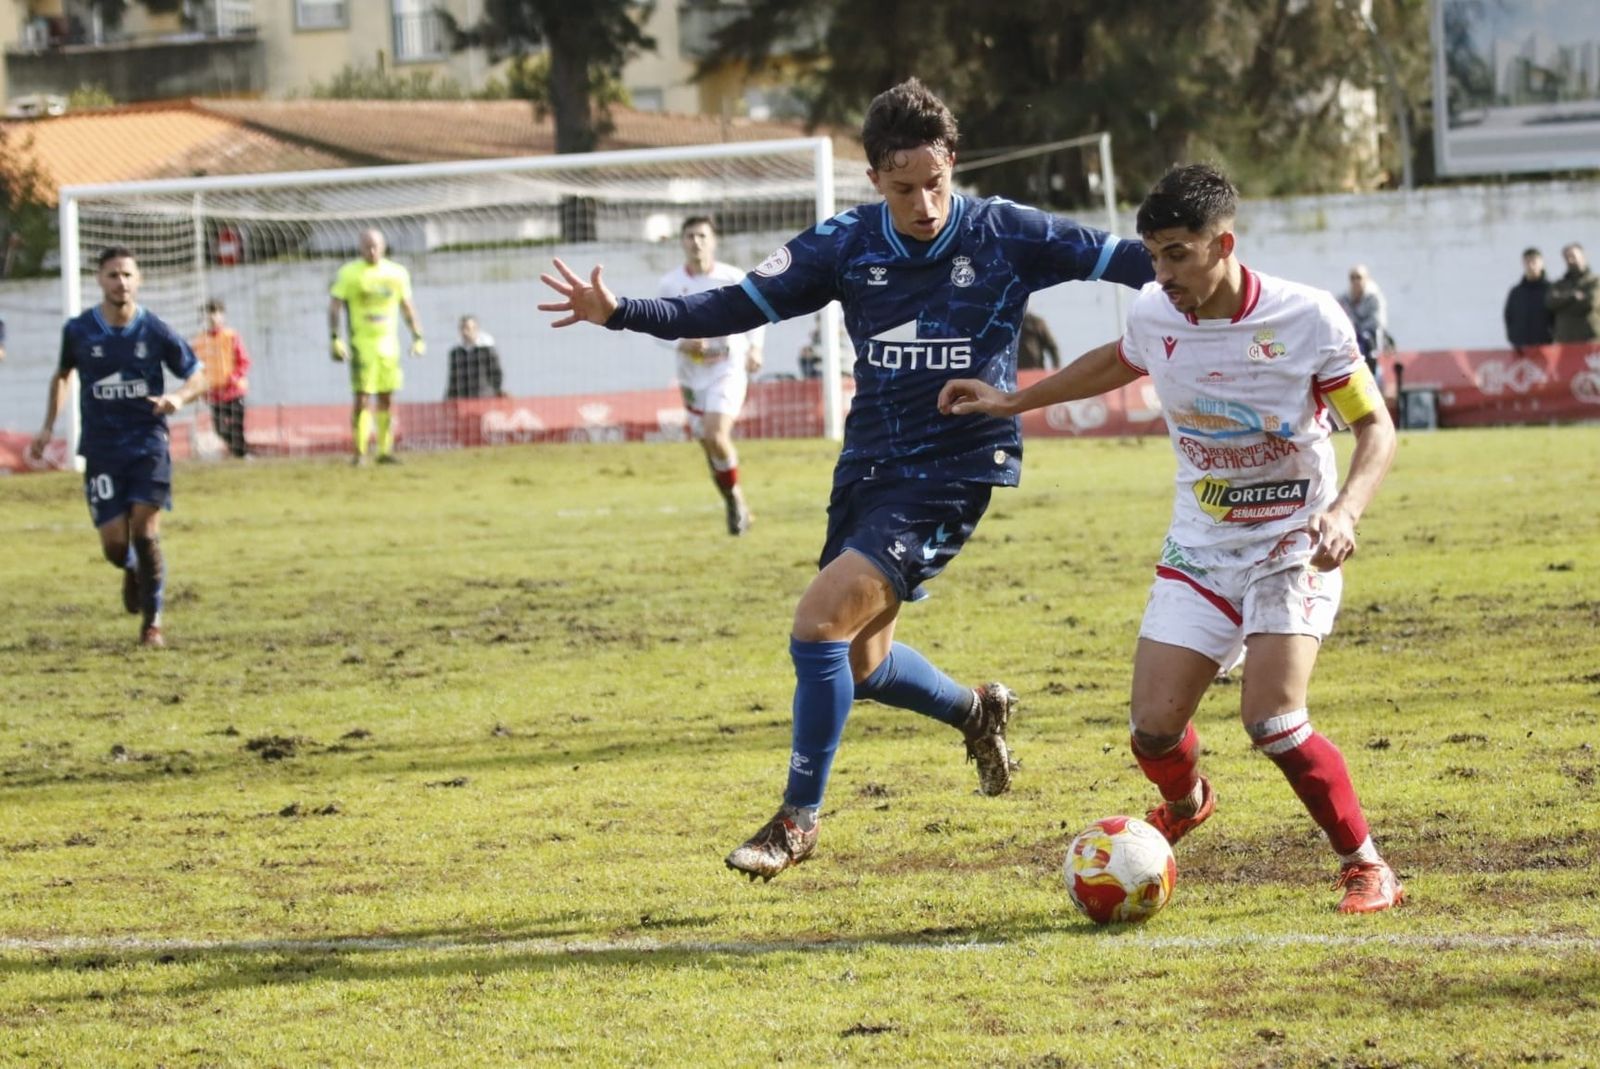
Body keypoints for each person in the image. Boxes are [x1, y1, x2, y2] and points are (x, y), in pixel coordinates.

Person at [538, 77, 1153, 881]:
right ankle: (977, 711)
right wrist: (622, 311)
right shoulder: (847, 243)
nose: (924, 204)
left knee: (818, 624)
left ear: (953, 163)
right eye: (904, 189)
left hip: (956, 468)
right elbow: (735, 305)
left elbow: (1134, 260)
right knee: (862, 666)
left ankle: (797, 820)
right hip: (868, 465)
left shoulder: (1006, 231)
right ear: (874, 181)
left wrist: (1217, 287)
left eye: (936, 183)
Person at [940, 163, 1404, 914]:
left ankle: (1366, 865)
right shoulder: (1156, 312)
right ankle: (1187, 803)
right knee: (1153, 731)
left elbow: (1375, 426)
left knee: (1273, 720)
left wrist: (1345, 512)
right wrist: (1011, 401)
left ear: (1224, 244)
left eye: (1178, 254)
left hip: (1293, 541)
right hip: (1201, 548)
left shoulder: (1308, 317)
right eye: (1154, 255)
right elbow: (1116, 360)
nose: (1162, 274)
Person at [27, 246, 208, 648]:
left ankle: (152, 624)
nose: (120, 282)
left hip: (148, 442)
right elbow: (63, 375)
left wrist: (178, 398)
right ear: (99, 280)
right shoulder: (79, 331)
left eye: (127, 274)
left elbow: (198, 374)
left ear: (138, 280)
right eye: (113, 275)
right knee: (114, 546)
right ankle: (130, 568)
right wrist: (47, 427)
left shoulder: (155, 330)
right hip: (102, 447)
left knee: (145, 531)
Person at [657, 216, 766, 535]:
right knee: (707, 442)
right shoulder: (670, 284)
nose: (696, 242)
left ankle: (735, 503)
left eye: (702, 236)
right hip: (692, 375)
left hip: (728, 368)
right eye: (690, 236)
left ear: (714, 241)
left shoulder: (732, 277)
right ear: (682, 241)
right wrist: (682, 342)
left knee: (716, 434)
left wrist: (755, 348)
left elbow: (758, 313)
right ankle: (735, 500)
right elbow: (657, 327)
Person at [328, 228, 425, 465]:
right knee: (362, 397)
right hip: (361, 346)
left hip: (389, 346)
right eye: (367, 246)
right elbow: (335, 307)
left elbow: (407, 306)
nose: (372, 251)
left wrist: (417, 336)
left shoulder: (397, 273)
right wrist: (335, 338)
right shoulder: (349, 273)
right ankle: (360, 452)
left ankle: (384, 451)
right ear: (360, 248)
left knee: (387, 398)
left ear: (383, 247)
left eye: (375, 246)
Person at [191, 297, 251, 458]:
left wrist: (234, 377)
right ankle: (240, 453)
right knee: (220, 429)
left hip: (234, 391)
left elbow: (244, 361)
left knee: (237, 426)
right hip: (215, 393)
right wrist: (200, 388)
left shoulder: (231, 336)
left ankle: (242, 455)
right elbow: (196, 368)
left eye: (216, 313)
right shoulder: (199, 341)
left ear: (222, 316)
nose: (212, 317)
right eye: (209, 313)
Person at [1337, 264, 1387, 390]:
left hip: (1370, 347)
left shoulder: (1374, 298)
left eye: (1358, 277)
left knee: (1374, 377)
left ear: (1366, 279)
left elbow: (1377, 321)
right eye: (1352, 278)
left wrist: (1358, 328)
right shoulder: (1343, 299)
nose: (1355, 281)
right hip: (1351, 348)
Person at [1547, 242, 1600, 343]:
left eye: (1573, 256)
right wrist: (1573, 296)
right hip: (1565, 340)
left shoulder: (1595, 281)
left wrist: (1562, 303)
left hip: (1590, 340)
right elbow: (1551, 303)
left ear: (1583, 257)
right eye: (1567, 257)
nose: (1570, 260)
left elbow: (1590, 303)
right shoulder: (1558, 284)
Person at [444, 315, 506, 399]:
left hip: (483, 397)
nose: (466, 332)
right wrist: (449, 397)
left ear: (476, 329)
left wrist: (493, 392)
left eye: (468, 328)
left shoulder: (486, 350)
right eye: (463, 328)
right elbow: (453, 379)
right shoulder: (456, 353)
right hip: (462, 398)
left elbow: (497, 375)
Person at [1503, 247, 1553, 351]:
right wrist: (1513, 337)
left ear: (1541, 263)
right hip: (1521, 348)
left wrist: (1552, 337)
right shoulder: (1516, 292)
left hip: (1546, 347)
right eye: (1527, 262)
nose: (1530, 265)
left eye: (1534, 261)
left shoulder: (1551, 289)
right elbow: (1509, 316)